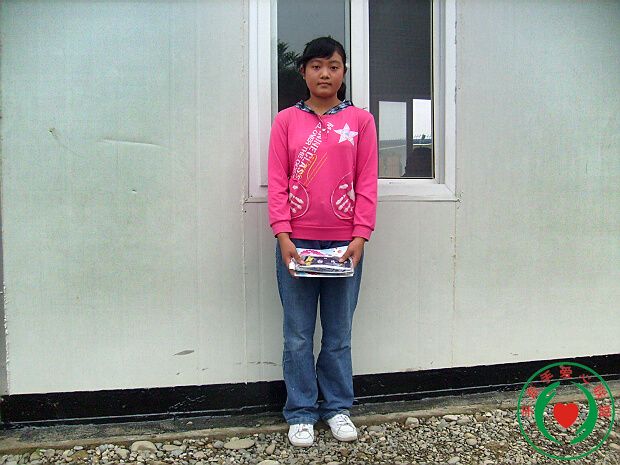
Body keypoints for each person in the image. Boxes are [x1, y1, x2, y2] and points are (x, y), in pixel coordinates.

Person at [267, 36, 378, 447]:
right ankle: (300, 411)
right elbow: (277, 182)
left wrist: (361, 235)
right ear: (303, 72)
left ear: (344, 72)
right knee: (297, 334)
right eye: (316, 66)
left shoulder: (361, 122)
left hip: (345, 246)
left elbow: (367, 183)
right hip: (296, 242)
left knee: (338, 333)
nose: (325, 74)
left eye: (333, 66)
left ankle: (337, 408)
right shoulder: (285, 121)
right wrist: (282, 233)